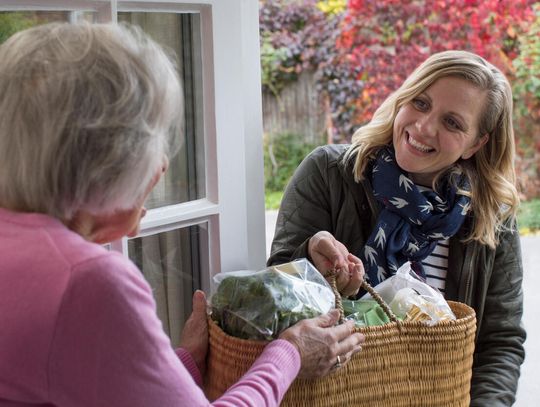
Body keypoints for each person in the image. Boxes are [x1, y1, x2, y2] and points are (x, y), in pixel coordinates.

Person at [0, 22, 364, 406]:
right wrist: (289, 352)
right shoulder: (89, 282)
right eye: (156, 139)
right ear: (110, 158)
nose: (162, 165)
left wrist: (181, 363)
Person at [268, 50, 526, 406]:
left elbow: (500, 343)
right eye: (420, 103)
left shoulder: (492, 217)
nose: (423, 127)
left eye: (452, 123)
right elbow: (274, 298)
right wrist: (309, 257)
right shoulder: (329, 174)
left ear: (476, 143)